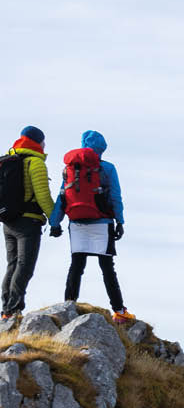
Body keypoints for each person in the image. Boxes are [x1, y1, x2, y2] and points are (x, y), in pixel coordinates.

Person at [50, 130, 135, 324]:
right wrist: (120, 221)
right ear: (101, 149)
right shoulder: (107, 168)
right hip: (102, 223)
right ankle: (119, 311)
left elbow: (62, 197)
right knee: (107, 269)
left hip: (77, 223)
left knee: (76, 266)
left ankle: (68, 305)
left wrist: (55, 223)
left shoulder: (70, 168)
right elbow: (115, 196)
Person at [1, 125, 55, 320]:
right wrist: (55, 220)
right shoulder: (35, 163)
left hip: (7, 221)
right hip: (28, 223)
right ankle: (13, 309)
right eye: (43, 141)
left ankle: (6, 309)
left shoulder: (6, 160)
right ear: (37, 142)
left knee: (12, 264)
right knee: (25, 266)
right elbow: (43, 196)